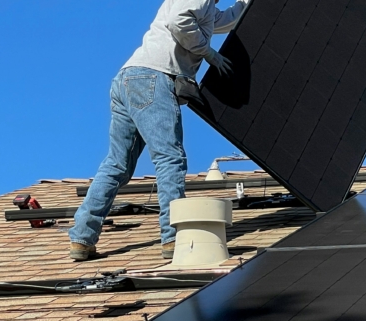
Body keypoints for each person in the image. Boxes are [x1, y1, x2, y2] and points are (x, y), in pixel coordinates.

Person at [69, 0, 249, 261]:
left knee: (117, 164)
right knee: (170, 158)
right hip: (154, 77)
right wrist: (208, 53)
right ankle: (174, 238)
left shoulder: (209, 8)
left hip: (130, 79)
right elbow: (179, 21)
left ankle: (81, 238)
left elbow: (227, 20)